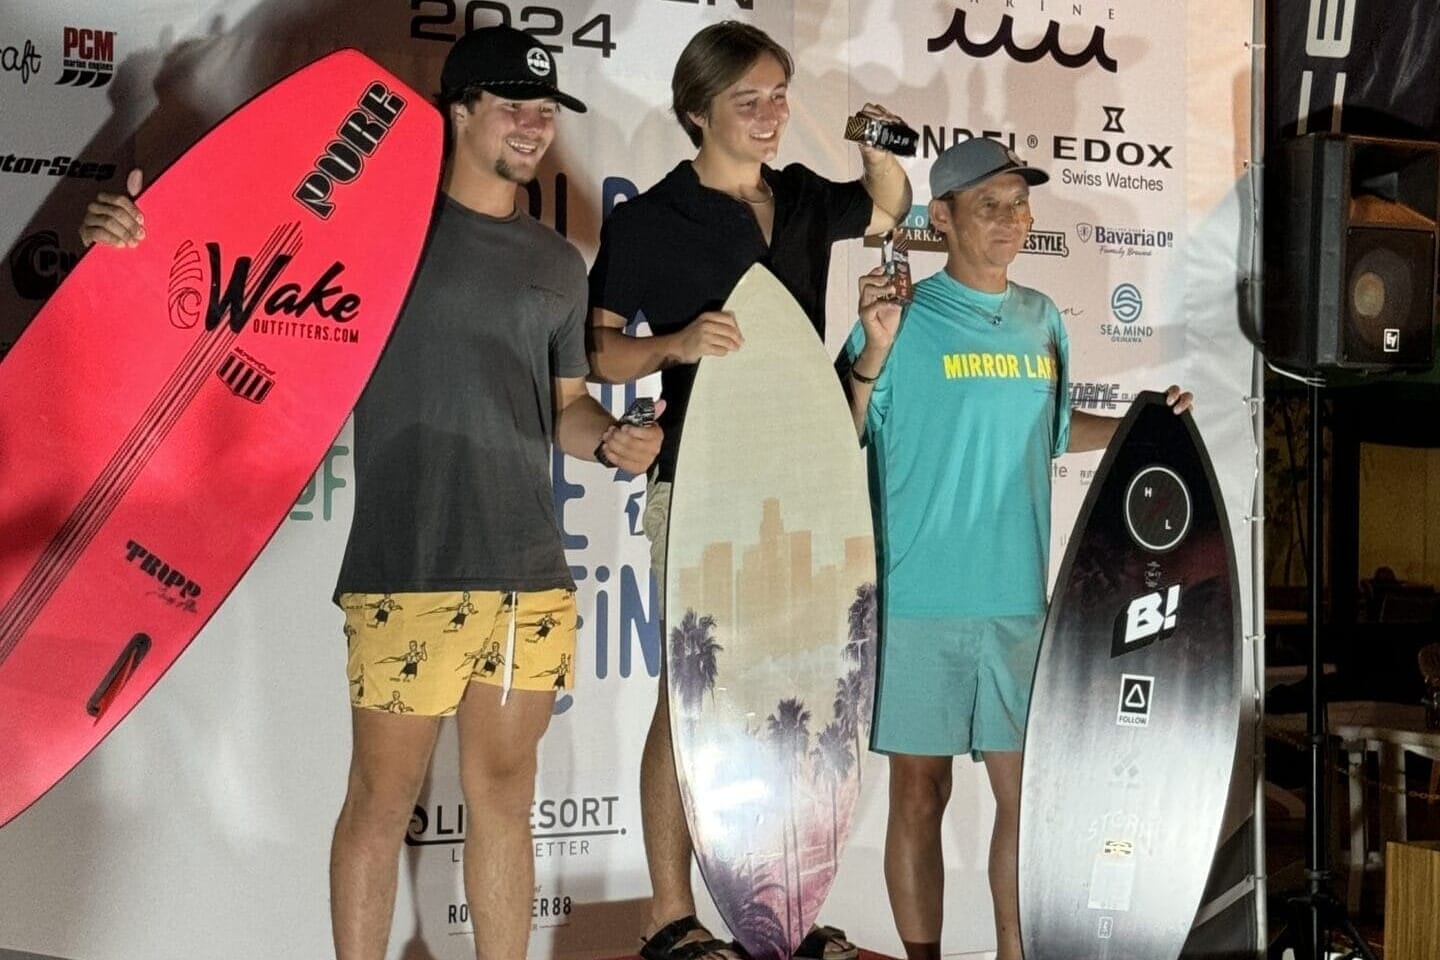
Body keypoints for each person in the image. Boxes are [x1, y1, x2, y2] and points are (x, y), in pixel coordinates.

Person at [79, 26, 663, 960]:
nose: (533, 125)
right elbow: (218, 288)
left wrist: (614, 442)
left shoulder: (558, 262)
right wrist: (129, 235)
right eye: (512, 104)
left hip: (528, 578)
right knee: (380, 804)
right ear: (459, 111)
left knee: (505, 803)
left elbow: (566, 412)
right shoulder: (373, 229)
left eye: (545, 110)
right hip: (408, 571)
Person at [586, 20, 912, 960]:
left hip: (805, 478)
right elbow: (597, 347)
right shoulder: (652, 219)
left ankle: (787, 911)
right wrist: (675, 345)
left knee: (808, 682)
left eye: (779, 96)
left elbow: (885, 209)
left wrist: (879, 153)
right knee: (692, 693)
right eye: (749, 101)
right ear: (698, 111)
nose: (771, 116)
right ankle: (668, 914)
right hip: (702, 482)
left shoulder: (802, 197)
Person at [840, 136, 1192, 960]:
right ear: (942, 218)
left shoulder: (1040, 319)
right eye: (991, 205)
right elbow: (843, 430)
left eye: (1020, 204)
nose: (1012, 220)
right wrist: (874, 346)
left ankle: (1013, 952)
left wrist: (1146, 423)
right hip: (916, 597)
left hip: (1018, 604)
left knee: (1028, 796)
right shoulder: (900, 318)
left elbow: (1057, 427)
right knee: (918, 796)